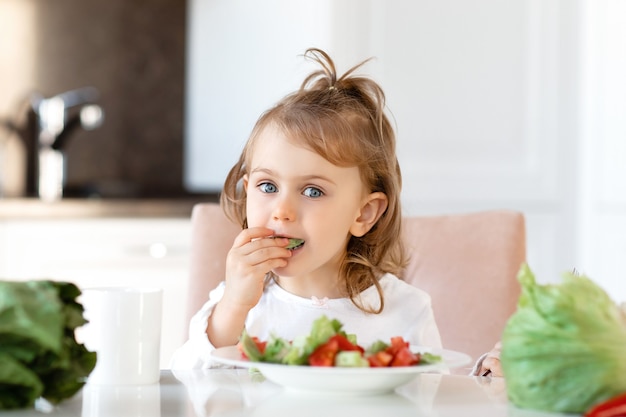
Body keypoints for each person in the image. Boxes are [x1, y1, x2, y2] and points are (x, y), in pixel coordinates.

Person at [170, 48, 502, 376]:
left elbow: (429, 402)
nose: (282, 211)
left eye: (312, 191)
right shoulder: (237, 301)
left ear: (364, 213)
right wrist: (233, 306)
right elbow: (186, 385)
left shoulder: (405, 310)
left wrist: (488, 381)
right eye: (268, 186)